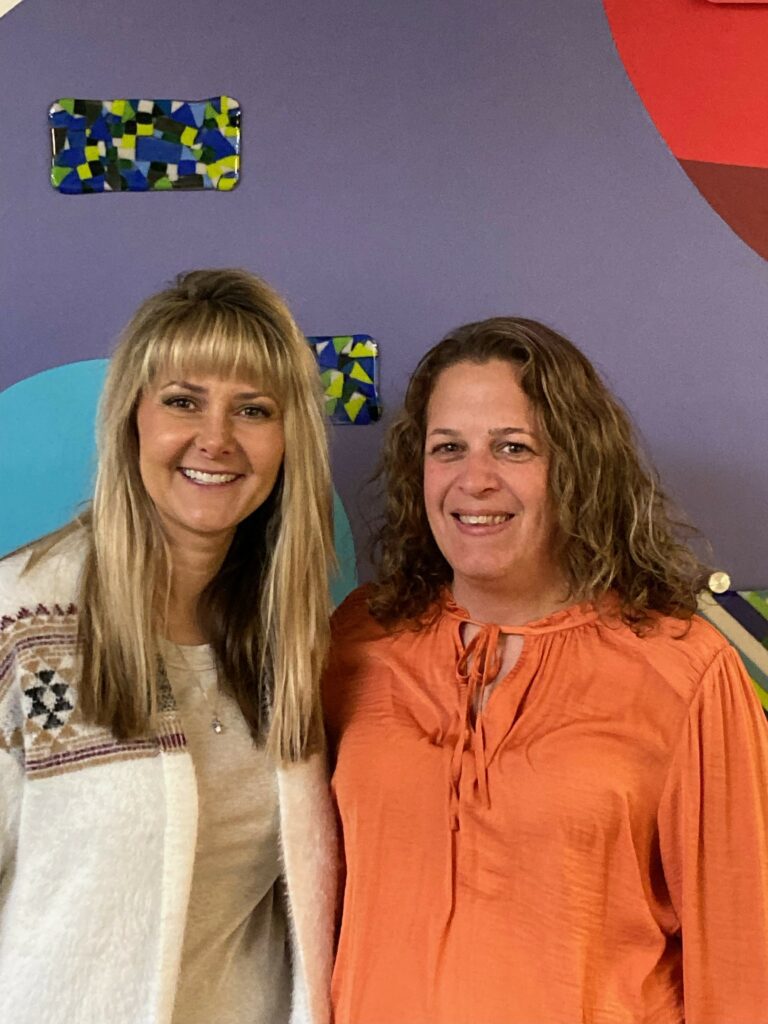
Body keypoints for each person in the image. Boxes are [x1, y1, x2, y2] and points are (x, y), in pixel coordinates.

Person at [324, 317, 768, 1024]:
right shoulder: (355, 639)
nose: (476, 480)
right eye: (448, 449)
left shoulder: (685, 669)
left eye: (513, 447)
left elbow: (743, 963)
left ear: (576, 466)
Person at [0, 269, 338, 1024]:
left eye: (252, 410)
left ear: (288, 443)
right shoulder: (19, 621)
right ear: (132, 422)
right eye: (183, 401)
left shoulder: (294, 643)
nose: (215, 438)